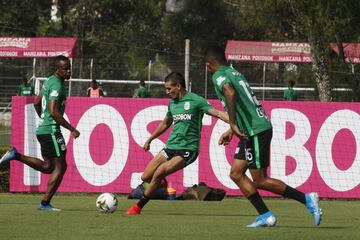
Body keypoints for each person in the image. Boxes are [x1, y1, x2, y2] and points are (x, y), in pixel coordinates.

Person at [204, 46, 322, 227]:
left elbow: (230, 92)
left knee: (260, 180)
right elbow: (244, 102)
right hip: (251, 129)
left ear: (209, 65)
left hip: (255, 131)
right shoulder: (234, 72)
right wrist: (232, 129)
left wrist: (233, 124)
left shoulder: (218, 75)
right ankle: (265, 215)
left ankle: (307, 199)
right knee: (236, 173)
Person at [125, 72, 229, 215]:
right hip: (170, 147)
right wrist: (150, 139)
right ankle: (160, 183)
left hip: (188, 149)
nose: (166, 92)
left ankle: (137, 207)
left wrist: (236, 123)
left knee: (160, 171)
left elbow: (217, 113)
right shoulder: (172, 104)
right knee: (145, 177)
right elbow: (165, 123)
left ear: (178, 86)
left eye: (169, 88)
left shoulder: (196, 100)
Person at [0, 55, 80, 211]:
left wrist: (42, 118)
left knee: (48, 166)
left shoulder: (50, 80)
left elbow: (37, 102)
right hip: (51, 130)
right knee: (61, 167)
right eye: (65, 69)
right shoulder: (56, 85)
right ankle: (45, 203)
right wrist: (72, 129)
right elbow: (53, 111)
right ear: (57, 69)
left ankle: (16, 155)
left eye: (69, 67)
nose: (69, 71)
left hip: (43, 130)